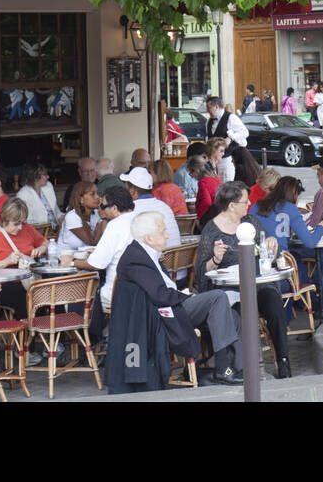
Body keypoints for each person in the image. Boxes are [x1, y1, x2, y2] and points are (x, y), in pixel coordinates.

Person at [110, 212, 243, 389]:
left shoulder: (146, 253)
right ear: (149, 238)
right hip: (163, 314)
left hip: (170, 305)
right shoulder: (136, 258)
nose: (167, 235)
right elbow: (160, 295)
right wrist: (188, 297)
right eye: (163, 231)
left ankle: (237, 367)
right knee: (218, 297)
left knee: (232, 312)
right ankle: (223, 369)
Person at [193, 180, 293, 378]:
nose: (248, 205)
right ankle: (242, 365)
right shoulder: (211, 230)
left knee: (274, 305)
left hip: (257, 286)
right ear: (231, 205)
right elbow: (200, 273)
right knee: (237, 313)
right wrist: (215, 259)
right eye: (244, 202)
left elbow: (268, 251)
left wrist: (271, 246)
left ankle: (283, 360)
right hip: (231, 291)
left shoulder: (250, 222)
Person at [0, 198, 47, 321]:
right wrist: (6, 261)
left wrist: (41, 249)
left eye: (22, 222)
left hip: (30, 280)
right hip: (2, 285)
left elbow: (45, 242)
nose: (20, 227)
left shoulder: (27, 229)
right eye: (16, 223)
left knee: (52, 289)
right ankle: (28, 335)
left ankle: (56, 332)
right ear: (4, 220)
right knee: (25, 297)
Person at [78, 187, 137, 310]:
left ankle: (90, 329)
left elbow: (97, 264)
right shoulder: (140, 218)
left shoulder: (115, 225)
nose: (100, 209)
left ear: (114, 208)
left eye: (103, 206)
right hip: (138, 289)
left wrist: (72, 262)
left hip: (117, 291)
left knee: (77, 297)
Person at [123, 166, 181, 247]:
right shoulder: (165, 206)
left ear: (132, 192)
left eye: (125, 189)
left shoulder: (131, 211)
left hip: (154, 258)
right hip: (173, 258)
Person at [59, 180, 106, 249]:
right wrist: (103, 218)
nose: (97, 197)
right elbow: (92, 243)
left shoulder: (97, 213)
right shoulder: (72, 216)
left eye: (97, 193)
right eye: (92, 194)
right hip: (65, 257)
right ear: (81, 199)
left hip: (86, 257)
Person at [16, 164, 62, 230]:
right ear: (35, 177)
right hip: (39, 233)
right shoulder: (23, 195)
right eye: (45, 174)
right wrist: (47, 229)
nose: (48, 177)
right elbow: (27, 222)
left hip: (56, 231)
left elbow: (56, 211)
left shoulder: (48, 186)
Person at [191, 154, 222, 222]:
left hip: (209, 219)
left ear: (197, 170)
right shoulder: (216, 179)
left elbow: (206, 202)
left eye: (192, 171)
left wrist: (200, 219)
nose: (192, 175)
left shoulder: (203, 182)